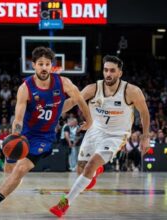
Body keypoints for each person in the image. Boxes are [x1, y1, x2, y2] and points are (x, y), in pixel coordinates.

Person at [0, 46, 92, 220]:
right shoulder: (26, 88)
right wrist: (16, 135)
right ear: (34, 66)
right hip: (25, 134)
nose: (44, 67)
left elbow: (80, 100)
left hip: (43, 137)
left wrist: (89, 120)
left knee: (20, 169)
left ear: (51, 66)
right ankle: (15, 177)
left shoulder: (64, 82)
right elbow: (18, 117)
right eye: (40, 64)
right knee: (10, 170)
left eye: (47, 64)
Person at [49, 55, 150, 217]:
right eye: (105, 70)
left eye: (112, 70)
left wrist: (145, 137)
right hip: (95, 131)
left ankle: (63, 204)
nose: (108, 73)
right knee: (81, 171)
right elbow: (72, 102)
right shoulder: (93, 88)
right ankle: (96, 171)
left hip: (116, 135)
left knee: (90, 166)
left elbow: (144, 113)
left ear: (120, 73)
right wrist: (51, 114)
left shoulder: (131, 91)